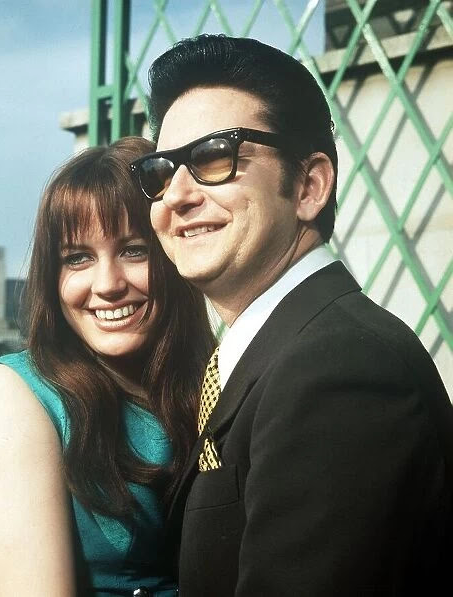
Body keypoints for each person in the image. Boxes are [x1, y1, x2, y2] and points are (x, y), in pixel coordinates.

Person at [130, 34, 453, 596]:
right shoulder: (276, 353)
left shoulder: (339, 370)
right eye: (160, 171)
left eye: (214, 156)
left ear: (309, 186)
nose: (175, 196)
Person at [0, 136, 216, 596]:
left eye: (134, 250)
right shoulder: (12, 397)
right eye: (77, 258)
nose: (107, 285)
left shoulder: (209, 380)